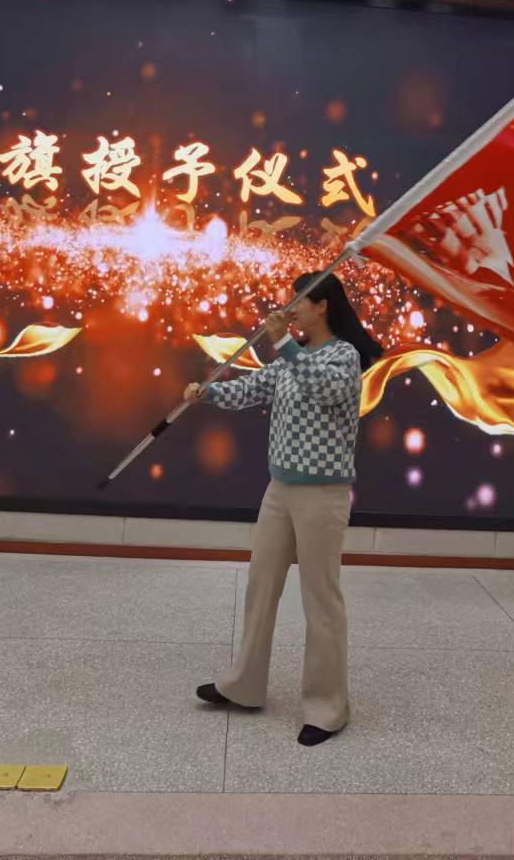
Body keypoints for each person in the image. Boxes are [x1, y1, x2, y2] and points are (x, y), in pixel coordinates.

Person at [185, 270, 383, 746]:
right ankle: (244, 685)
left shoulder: (342, 356)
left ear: (322, 306)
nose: (290, 309)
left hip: (323, 494)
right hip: (279, 490)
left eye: (299, 301)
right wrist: (210, 394)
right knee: (261, 587)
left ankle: (327, 708)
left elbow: (326, 391)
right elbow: (253, 389)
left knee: (320, 599)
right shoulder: (292, 357)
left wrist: (285, 345)